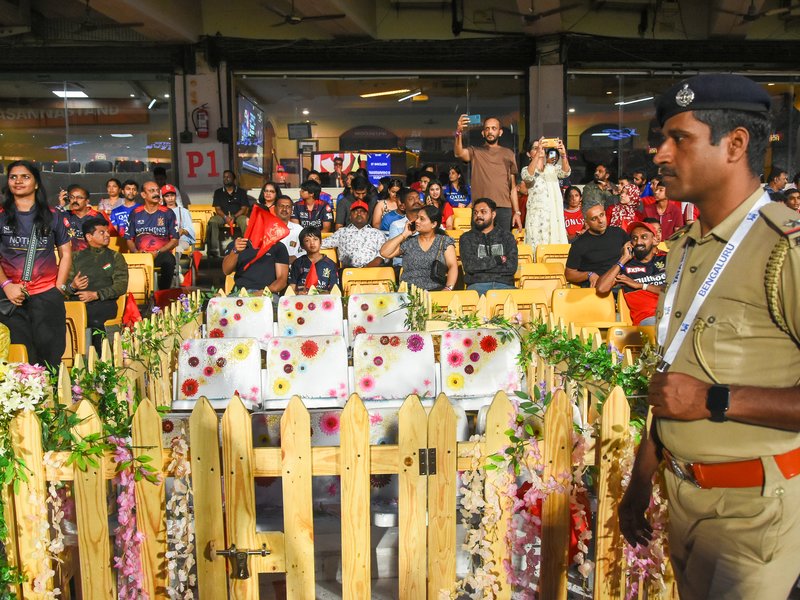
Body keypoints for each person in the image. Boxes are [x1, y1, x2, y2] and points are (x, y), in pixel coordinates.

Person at [618, 73, 800, 600]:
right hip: (685, 502)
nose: (660, 154)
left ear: (735, 145)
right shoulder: (684, 248)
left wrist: (714, 400)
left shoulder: (784, 250)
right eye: (661, 139)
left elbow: (695, 394)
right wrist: (641, 479)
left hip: (755, 517)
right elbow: (673, 376)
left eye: (680, 138)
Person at [0, 160, 71, 367]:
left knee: (50, 355)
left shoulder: (52, 216)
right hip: (11, 297)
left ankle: (52, 397)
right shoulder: (2, 217)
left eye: (25, 177)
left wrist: (59, 287)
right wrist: (6, 286)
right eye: (13, 177)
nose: (18, 181)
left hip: (46, 294)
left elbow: (65, 252)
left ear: (36, 183)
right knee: (20, 355)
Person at [67, 217, 128, 353]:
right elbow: (62, 287)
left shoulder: (115, 257)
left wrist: (96, 295)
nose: (107, 235)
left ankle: (99, 362)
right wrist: (73, 286)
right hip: (77, 303)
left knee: (95, 320)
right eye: (102, 232)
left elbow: (121, 286)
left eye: (107, 232)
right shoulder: (75, 257)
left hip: (104, 303)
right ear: (89, 237)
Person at [454, 115, 521, 231]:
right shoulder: (475, 151)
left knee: (502, 247)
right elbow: (459, 153)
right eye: (487, 129)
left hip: (503, 208)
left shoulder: (508, 154)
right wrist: (458, 132)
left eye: (494, 128)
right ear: (483, 133)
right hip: (480, 208)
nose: (490, 131)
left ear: (500, 132)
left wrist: (517, 212)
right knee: (478, 245)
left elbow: (513, 187)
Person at [595, 221, 665, 326]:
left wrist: (641, 285)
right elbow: (601, 288)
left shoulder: (667, 260)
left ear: (655, 240)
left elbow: (676, 291)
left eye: (644, 237)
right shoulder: (625, 267)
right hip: (649, 319)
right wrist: (623, 259)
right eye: (634, 238)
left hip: (673, 313)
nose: (639, 242)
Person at [380, 205, 458, 291]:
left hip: (435, 290)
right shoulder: (409, 242)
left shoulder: (444, 241)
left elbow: (452, 266)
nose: (417, 221)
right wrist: (404, 234)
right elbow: (384, 253)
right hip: (409, 292)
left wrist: (448, 288)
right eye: (417, 218)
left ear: (434, 224)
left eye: (422, 219)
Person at [125, 181, 179, 291]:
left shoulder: (168, 213)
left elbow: (175, 240)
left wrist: (158, 252)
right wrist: (136, 252)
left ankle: (163, 293)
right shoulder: (135, 213)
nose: (156, 193)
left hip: (161, 254)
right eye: (151, 191)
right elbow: (129, 239)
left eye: (157, 190)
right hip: (140, 254)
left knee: (169, 261)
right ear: (143, 195)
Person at [459, 198, 518, 295]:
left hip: (504, 285)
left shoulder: (507, 237)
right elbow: (469, 266)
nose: (478, 215)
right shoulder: (466, 238)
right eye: (475, 212)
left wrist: (481, 267)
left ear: (493, 214)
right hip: (477, 286)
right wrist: (497, 260)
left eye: (483, 212)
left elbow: (511, 267)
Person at [522, 137, 570, 250]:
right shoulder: (526, 169)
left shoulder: (552, 169)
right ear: (529, 154)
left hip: (554, 217)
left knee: (553, 249)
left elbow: (565, 172)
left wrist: (563, 155)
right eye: (535, 148)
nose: (540, 149)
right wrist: (538, 153)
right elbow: (528, 177)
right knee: (536, 249)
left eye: (542, 147)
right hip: (536, 219)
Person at [564, 204, 628, 288]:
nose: (600, 221)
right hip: (598, 287)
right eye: (594, 219)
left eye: (601, 215)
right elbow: (569, 274)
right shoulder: (579, 244)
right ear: (586, 222)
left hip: (623, 282)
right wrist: (589, 275)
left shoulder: (619, 233)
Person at [322, 200, 385, 268]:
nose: (359, 214)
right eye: (355, 211)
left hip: (373, 271)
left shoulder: (377, 233)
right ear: (350, 216)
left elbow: (384, 254)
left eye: (362, 211)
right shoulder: (341, 232)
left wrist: (370, 265)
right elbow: (321, 244)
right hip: (348, 271)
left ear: (368, 216)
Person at [222, 235, 288, 297]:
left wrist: (265, 291)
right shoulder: (237, 244)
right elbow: (226, 271)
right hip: (240, 293)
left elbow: (282, 279)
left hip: (267, 293)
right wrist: (235, 251)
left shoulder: (278, 246)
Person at [207, 170, 250, 257]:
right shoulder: (218, 192)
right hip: (222, 216)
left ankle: (248, 247)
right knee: (212, 221)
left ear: (234, 179)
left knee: (245, 221)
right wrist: (225, 217)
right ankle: (213, 250)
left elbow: (244, 208)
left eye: (228, 177)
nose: (226, 179)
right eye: (224, 177)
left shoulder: (241, 192)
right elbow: (217, 209)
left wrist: (234, 216)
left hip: (238, 215)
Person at [288, 226, 339, 294]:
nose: (312, 243)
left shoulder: (330, 264)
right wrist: (298, 293)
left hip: (323, 301)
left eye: (315, 239)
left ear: (321, 242)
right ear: (302, 245)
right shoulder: (298, 263)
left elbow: (334, 290)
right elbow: (292, 288)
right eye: (307, 240)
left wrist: (321, 294)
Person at [386, 188, 425, 270]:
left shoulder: (429, 223)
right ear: (403, 206)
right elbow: (393, 251)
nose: (416, 201)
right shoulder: (396, 225)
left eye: (418, 198)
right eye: (411, 199)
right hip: (402, 266)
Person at [65, 185, 111, 252]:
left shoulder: (96, 216)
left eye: (79, 198)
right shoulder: (66, 215)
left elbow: (104, 240)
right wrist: (60, 205)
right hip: (71, 256)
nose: (75, 200)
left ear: (87, 201)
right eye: (72, 197)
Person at [162, 185, 195, 254]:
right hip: (165, 240)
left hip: (181, 240)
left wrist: (182, 231)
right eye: (167, 196)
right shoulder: (160, 212)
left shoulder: (184, 211)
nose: (170, 198)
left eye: (172, 195)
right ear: (163, 198)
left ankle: (176, 265)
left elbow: (190, 229)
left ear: (175, 196)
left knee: (177, 248)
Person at [274, 195, 304, 263]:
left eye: (288, 207)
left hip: (293, 268)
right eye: (281, 206)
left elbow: (307, 250)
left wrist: (295, 257)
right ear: (275, 209)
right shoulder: (268, 229)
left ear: (292, 210)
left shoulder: (298, 229)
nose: (284, 209)